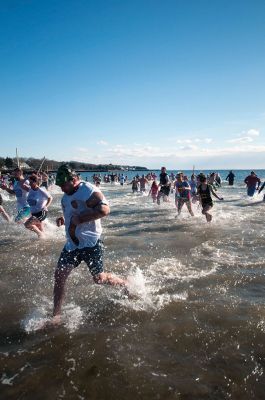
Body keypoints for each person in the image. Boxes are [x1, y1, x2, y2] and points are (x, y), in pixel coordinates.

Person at [52, 164, 127, 322]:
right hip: (72, 244)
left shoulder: (88, 190)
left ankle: (125, 283)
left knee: (99, 279)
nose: (62, 189)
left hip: (91, 243)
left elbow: (105, 210)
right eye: (60, 186)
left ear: (74, 179)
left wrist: (80, 219)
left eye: (64, 184)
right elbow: (74, 212)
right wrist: (63, 219)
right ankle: (56, 316)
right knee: (59, 276)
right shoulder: (66, 196)